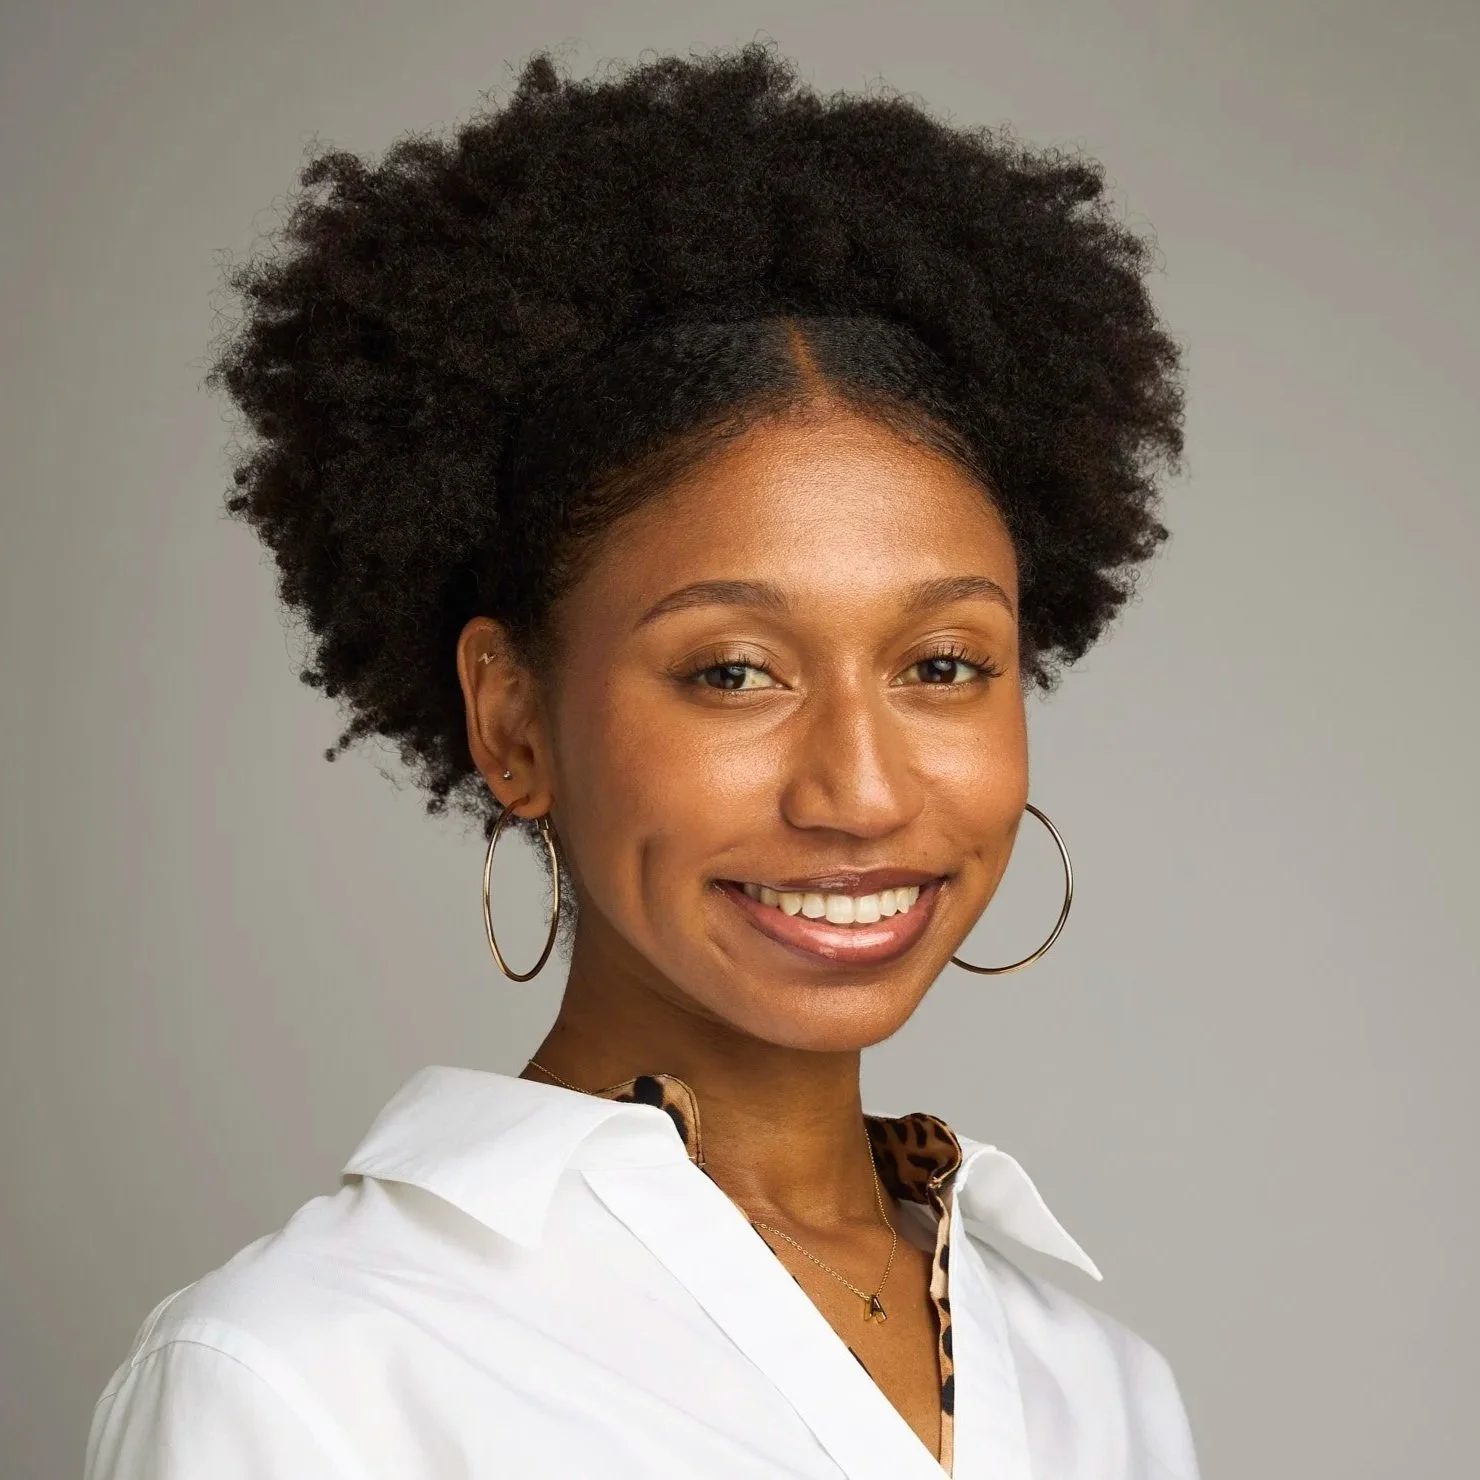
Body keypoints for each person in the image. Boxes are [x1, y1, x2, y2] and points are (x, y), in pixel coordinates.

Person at [85, 44, 1195, 1480]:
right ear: (514, 723)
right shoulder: (307, 1379)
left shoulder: (1097, 1383)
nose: (859, 791)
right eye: (733, 672)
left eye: (941, 666)